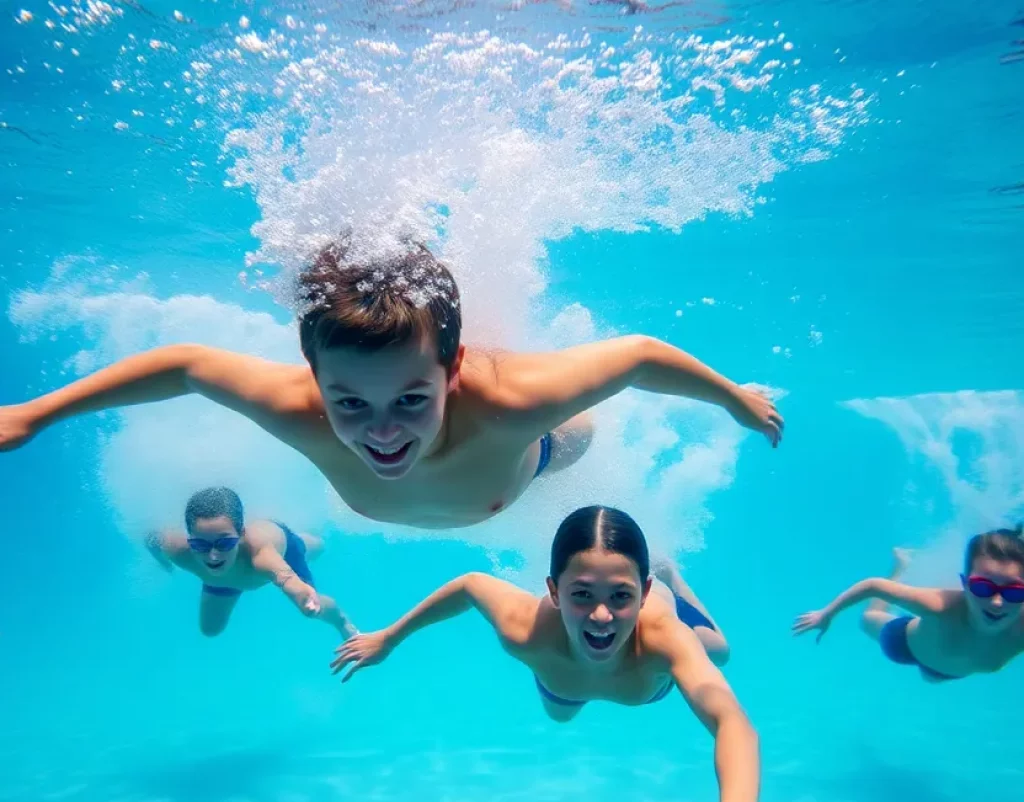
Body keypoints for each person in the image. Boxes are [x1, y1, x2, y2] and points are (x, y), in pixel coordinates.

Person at [0, 239, 783, 530]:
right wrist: (33, 415)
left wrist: (735, 401)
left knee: (579, 435)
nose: (380, 431)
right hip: (472, 467)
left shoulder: (513, 402)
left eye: (410, 399)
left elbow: (642, 356)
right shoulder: (293, 409)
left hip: (535, 455)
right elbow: (183, 368)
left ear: (453, 369)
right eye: (350, 402)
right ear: (315, 380)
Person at [332, 505, 773, 802]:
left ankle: (674, 580)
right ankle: (585, 646)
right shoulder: (523, 628)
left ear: (642, 592)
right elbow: (468, 585)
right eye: (582, 594)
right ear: (553, 591)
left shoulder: (664, 639)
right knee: (560, 714)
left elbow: (731, 720)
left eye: (621, 596)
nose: (601, 615)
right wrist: (388, 637)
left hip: (655, 653)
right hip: (563, 682)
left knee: (719, 651)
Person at [792, 527, 1024, 681]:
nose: (996, 602)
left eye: (1014, 591)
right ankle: (900, 566)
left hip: (946, 672)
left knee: (931, 679)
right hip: (902, 645)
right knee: (867, 618)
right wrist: (826, 614)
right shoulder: (940, 607)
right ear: (964, 584)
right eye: (983, 587)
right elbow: (873, 585)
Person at [147, 486, 357, 640]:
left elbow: (287, 578)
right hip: (224, 580)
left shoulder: (261, 555)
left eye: (225, 543)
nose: (213, 556)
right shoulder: (178, 550)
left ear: (241, 534)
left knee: (313, 558)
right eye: (200, 544)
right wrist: (162, 562)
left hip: (286, 550)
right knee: (210, 630)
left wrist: (303, 596)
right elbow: (152, 540)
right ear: (189, 537)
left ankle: (342, 621)